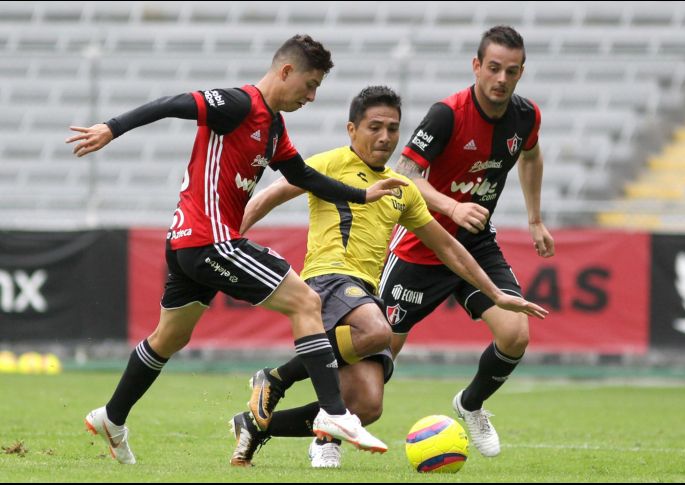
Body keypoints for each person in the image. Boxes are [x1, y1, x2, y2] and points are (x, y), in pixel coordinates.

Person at [65, 34, 405, 465]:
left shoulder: (273, 127)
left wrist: (362, 195)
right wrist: (111, 127)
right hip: (209, 240)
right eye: (310, 84)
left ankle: (112, 417)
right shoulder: (237, 104)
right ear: (286, 72)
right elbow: (172, 103)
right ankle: (335, 414)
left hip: (188, 243)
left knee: (170, 337)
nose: (313, 96)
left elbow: (301, 174)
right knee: (306, 300)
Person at [226, 85, 547, 468]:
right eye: (374, 127)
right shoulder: (328, 164)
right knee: (377, 331)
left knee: (367, 404)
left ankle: (256, 425)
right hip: (327, 281)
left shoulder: (402, 188)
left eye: (393, 129)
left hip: (364, 293)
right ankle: (275, 378)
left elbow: (447, 247)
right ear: (351, 130)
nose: (385, 137)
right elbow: (269, 196)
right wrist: (226, 241)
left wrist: (496, 293)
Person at [378, 25, 556, 458]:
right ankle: (328, 436)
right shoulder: (448, 114)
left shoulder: (526, 116)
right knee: (377, 361)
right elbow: (404, 174)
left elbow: (530, 156)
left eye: (511, 71)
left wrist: (534, 219)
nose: (501, 78)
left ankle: (471, 404)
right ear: (476, 66)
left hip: (475, 243)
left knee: (515, 333)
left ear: (521, 72)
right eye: (493, 68)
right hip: (422, 245)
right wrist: (452, 207)